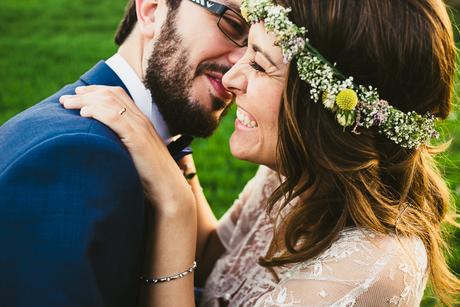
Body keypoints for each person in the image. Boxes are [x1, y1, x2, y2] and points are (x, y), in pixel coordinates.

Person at [62, 0, 460, 306]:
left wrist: (174, 204)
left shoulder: (372, 267)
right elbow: (212, 256)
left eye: (260, 64)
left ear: (326, 108)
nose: (233, 78)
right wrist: (170, 140)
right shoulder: (290, 174)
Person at [0, 0, 249, 306]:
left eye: (258, 50)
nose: (243, 67)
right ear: (152, 10)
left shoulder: (142, 149)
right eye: (234, 25)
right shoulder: (76, 160)